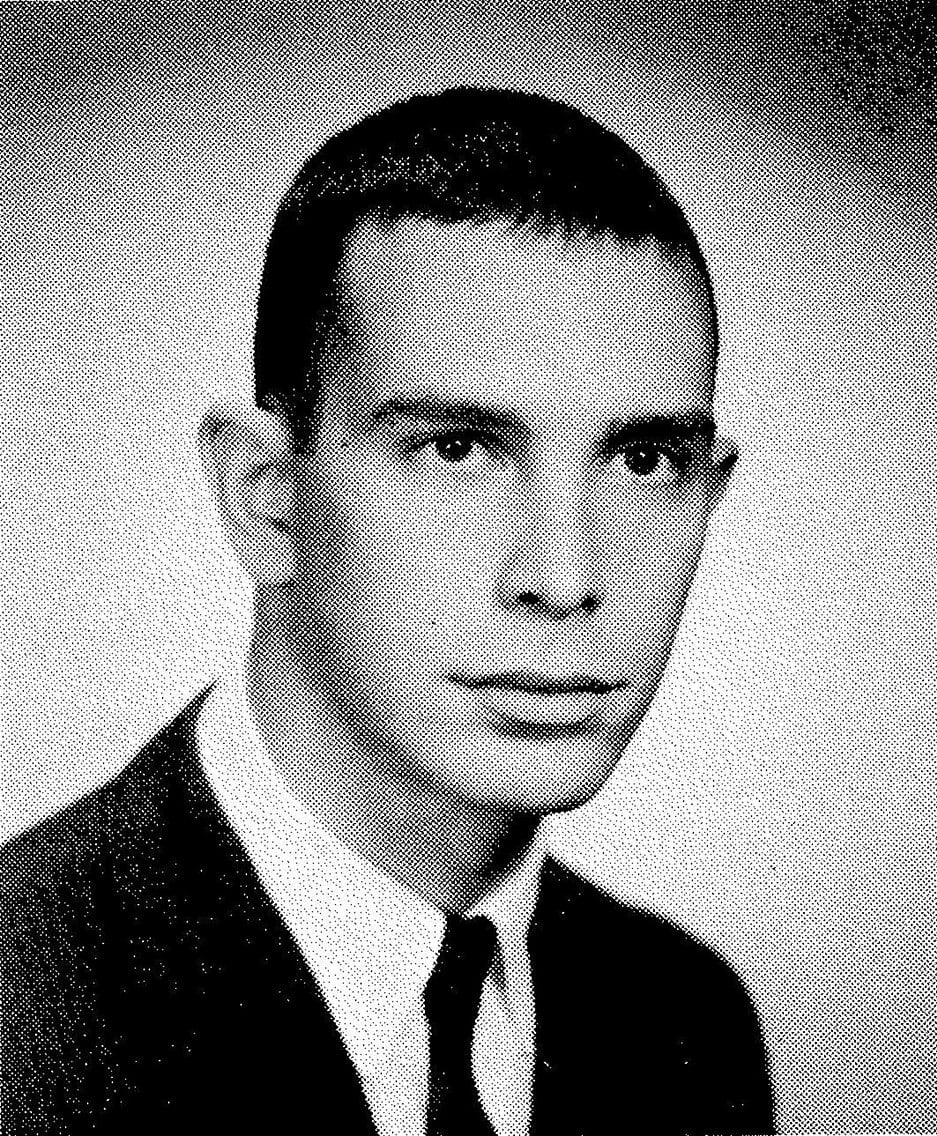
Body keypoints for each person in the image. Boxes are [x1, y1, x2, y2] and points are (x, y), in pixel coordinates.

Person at [0, 87, 774, 1134]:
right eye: (457, 447)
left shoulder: (685, 1020)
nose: (563, 574)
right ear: (264, 494)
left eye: (644, 461)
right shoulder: (21, 1005)